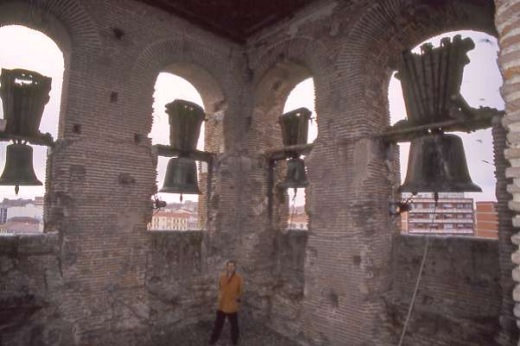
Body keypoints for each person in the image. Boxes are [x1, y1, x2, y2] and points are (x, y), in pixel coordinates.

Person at [209, 260, 243, 345]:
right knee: (218, 324)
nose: (230, 268)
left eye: (232, 266)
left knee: (234, 325)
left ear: (234, 267)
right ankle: (213, 340)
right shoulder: (222, 276)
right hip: (222, 304)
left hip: (231, 305)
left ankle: (234, 341)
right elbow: (220, 288)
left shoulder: (238, 278)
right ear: (227, 267)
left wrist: (236, 298)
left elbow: (240, 291)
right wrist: (220, 296)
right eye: (229, 266)